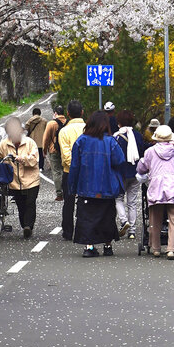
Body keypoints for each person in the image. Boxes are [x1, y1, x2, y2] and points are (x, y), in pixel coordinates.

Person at [68, 110, 126, 257]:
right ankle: (107, 246)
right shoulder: (110, 141)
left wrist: (72, 187)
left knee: (87, 217)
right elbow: (119, 160)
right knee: (107, 216)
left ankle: (89, 247)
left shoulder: (81, 141)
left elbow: (74, 166)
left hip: (86, 187)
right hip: (107, 186)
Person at [136, 125, 174, 259]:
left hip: (156, 188)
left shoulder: (150, 152)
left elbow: (141, 168)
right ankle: (171, 249)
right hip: (173, 188)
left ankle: (156, 248)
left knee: (154, 219)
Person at [0, 115, 40, 238]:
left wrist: (22, 159)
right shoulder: (5, 144)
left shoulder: (30, 143)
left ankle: (28, 226)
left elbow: (35, 159)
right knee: (21, 205)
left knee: (30, 203)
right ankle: (24, 226)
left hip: (31, 180)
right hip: (15, 182)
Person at [114, 109, 148, 240]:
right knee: (132, 202)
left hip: (121, 173)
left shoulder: (117, 137)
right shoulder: (138, 136)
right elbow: (143, 151)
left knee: (118, 198)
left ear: (119, 123)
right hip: (135, 173)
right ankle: (132, 231)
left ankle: (123, 221)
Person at [58, 100, 86, 240]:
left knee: (68, 203)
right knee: (86, 201)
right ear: (82, 112)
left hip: (69, 172)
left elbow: (65, 154)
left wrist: (74, 166)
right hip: (87, 172)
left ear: (68, 114)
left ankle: (68, 231)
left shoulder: (64, 131)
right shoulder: (89, 128)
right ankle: (84, 230)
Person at [43, 105, 67, 204]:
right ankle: (67, 192)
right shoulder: (67, 122)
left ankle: (59, 194)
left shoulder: (51, 123)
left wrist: (44, 150)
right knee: (65, 171)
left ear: (55, 113)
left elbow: (46, 138)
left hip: (54, 150)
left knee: (57, 172)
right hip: (65, 150)